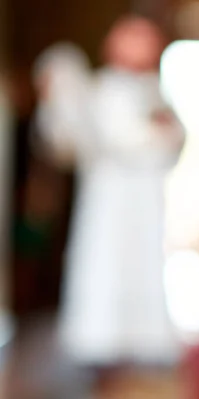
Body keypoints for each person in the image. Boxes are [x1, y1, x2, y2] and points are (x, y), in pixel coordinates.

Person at [32, 16, 185, 378]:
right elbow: (67, 138)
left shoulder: (157, 92)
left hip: (145, 200)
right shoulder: (96, 90)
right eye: (133, 36)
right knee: (103, 262)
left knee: (143, 262)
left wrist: (157, 134)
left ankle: (144, 343)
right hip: (108, 198)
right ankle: (97, 343)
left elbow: (173, 138)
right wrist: (56, 96)